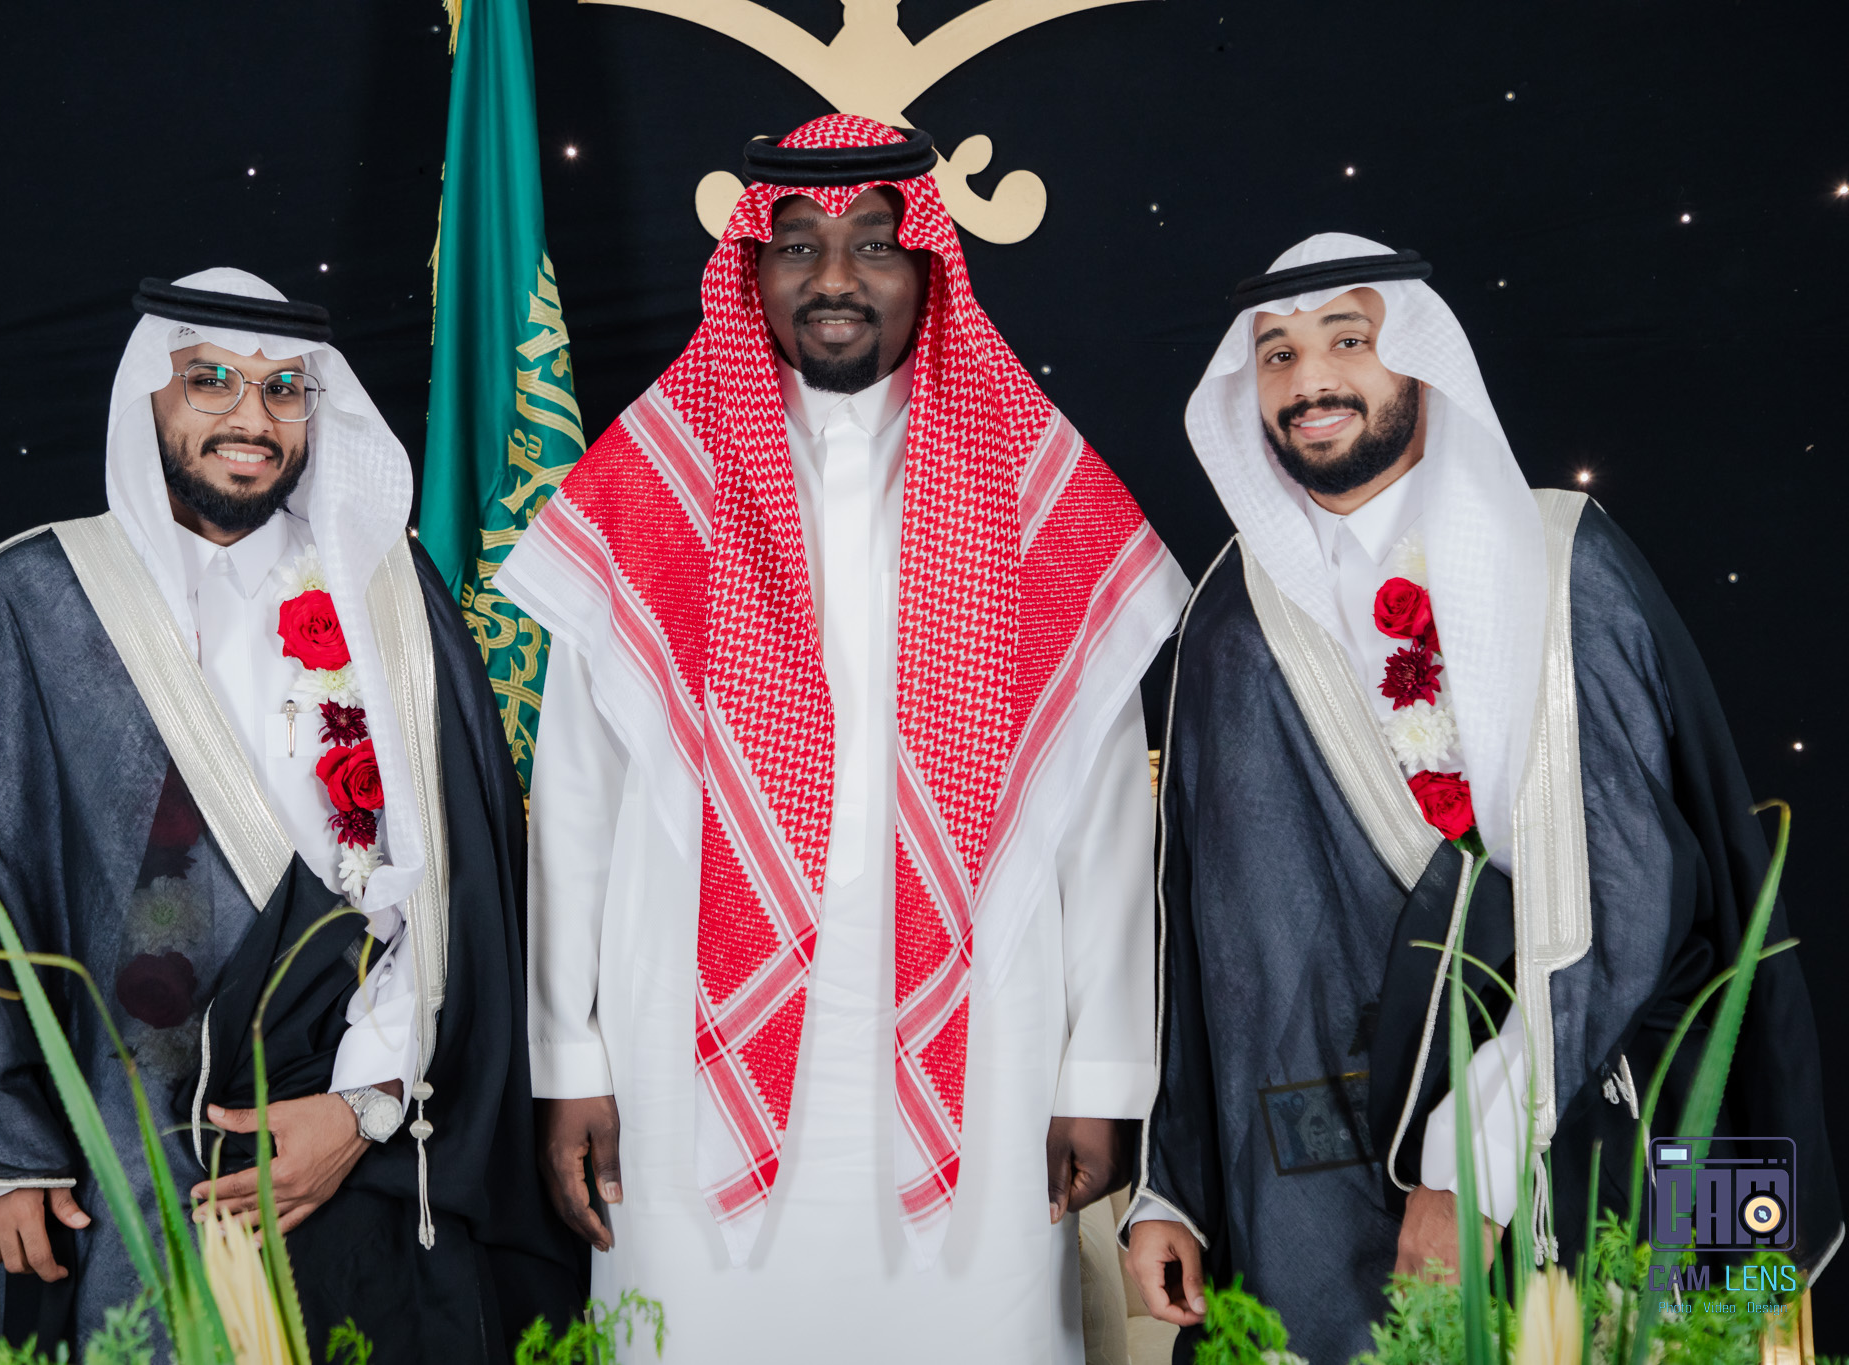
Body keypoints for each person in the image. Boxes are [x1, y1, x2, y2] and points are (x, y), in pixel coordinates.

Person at [496, 116, 1187, 1362]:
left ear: (927, 268)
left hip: (984, 1052)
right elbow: (578, 799)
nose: (832, 278)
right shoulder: (652, 480)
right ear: (749, 271)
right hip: (680, 1054)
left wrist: (1097, 1075)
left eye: (873, 243)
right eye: (796, 246)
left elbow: (1098, 816)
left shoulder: (1031, 484)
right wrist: (567, 1055)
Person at [1123, 234, 1841, 1361]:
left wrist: (1474, 1162)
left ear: (1419, 360)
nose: (1309, 380)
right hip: (1316, 1166)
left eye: (1347, 340)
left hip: (1574, 1116)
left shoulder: (1559, 563)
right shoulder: (1234, 607)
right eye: (1277, 355)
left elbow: (1632, 888)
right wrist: (1172, 1186)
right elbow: (1200, 927)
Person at [0, 269, 581, 1361]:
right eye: (210, 381)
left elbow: (456, 877)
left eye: (283, 388)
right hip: (118, 1132)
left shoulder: (388, 589)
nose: (252, 417)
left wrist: (367, 1105)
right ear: (149, 391)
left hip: (349, 1121)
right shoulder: (38, 595)